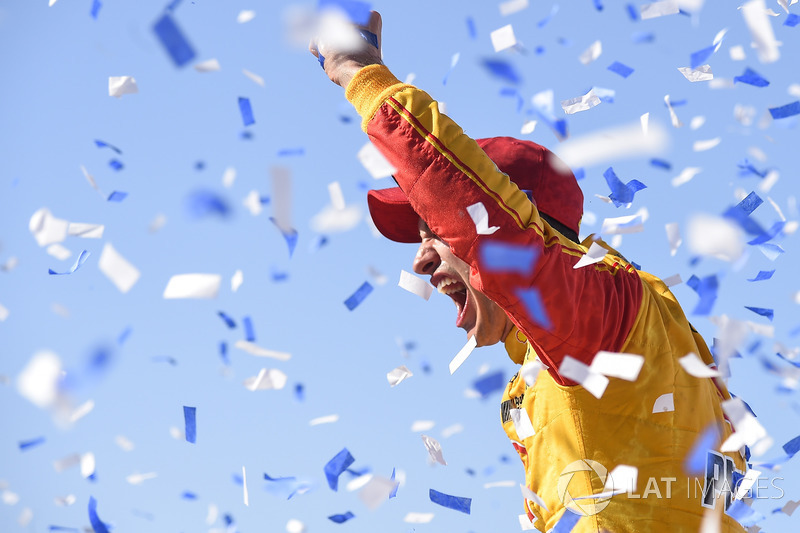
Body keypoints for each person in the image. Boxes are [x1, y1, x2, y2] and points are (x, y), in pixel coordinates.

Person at [311, 10, 747, 532]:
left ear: (524, 223)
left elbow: (500, 235)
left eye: (435, 226)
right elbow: (723, 499)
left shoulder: (604, 314)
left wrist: (362, 75)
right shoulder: (630, 343)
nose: (421, 258)